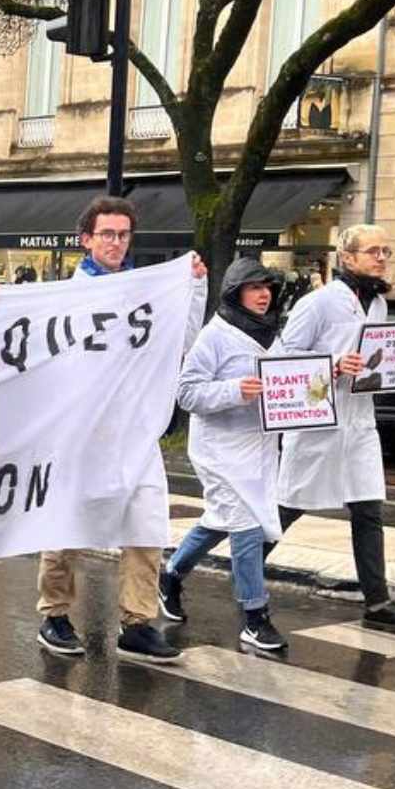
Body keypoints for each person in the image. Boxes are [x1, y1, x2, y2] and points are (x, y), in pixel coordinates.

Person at [33, 196, 206, 665]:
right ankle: (55, 613)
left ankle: (137, 622)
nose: (116, 242)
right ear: (86, 239)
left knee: (146, 527)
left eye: (124, 234)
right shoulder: (63, 297)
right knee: (66, 525)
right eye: (107, 234)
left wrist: (192, 289)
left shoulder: (142, 292)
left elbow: (181, 341)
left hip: (135, 431)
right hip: (81, 434)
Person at [273, 224, 395, 635]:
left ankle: (377, 602)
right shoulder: (317, 303)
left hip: (359, 423)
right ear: (348, 257)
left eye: (386, 251)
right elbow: (284, 357)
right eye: (373, 251)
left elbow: (374, 359)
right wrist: (334, 364)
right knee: (288, 506)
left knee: (368, 507)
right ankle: (245, 574)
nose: (381, 258)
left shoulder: (377, 306)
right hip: (318, 423)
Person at [160, 257, 290, 652]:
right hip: (219, 451)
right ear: (236, 293)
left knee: (220, 521)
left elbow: (290, 381)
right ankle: (255, 615)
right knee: (246, 526)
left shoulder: (273, 335)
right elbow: (187, 392)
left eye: (267, 287)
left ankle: (171, 574)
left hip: (259, 450)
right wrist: (235, 390)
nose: (263, 294)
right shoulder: (213, 337)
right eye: (254, 288)